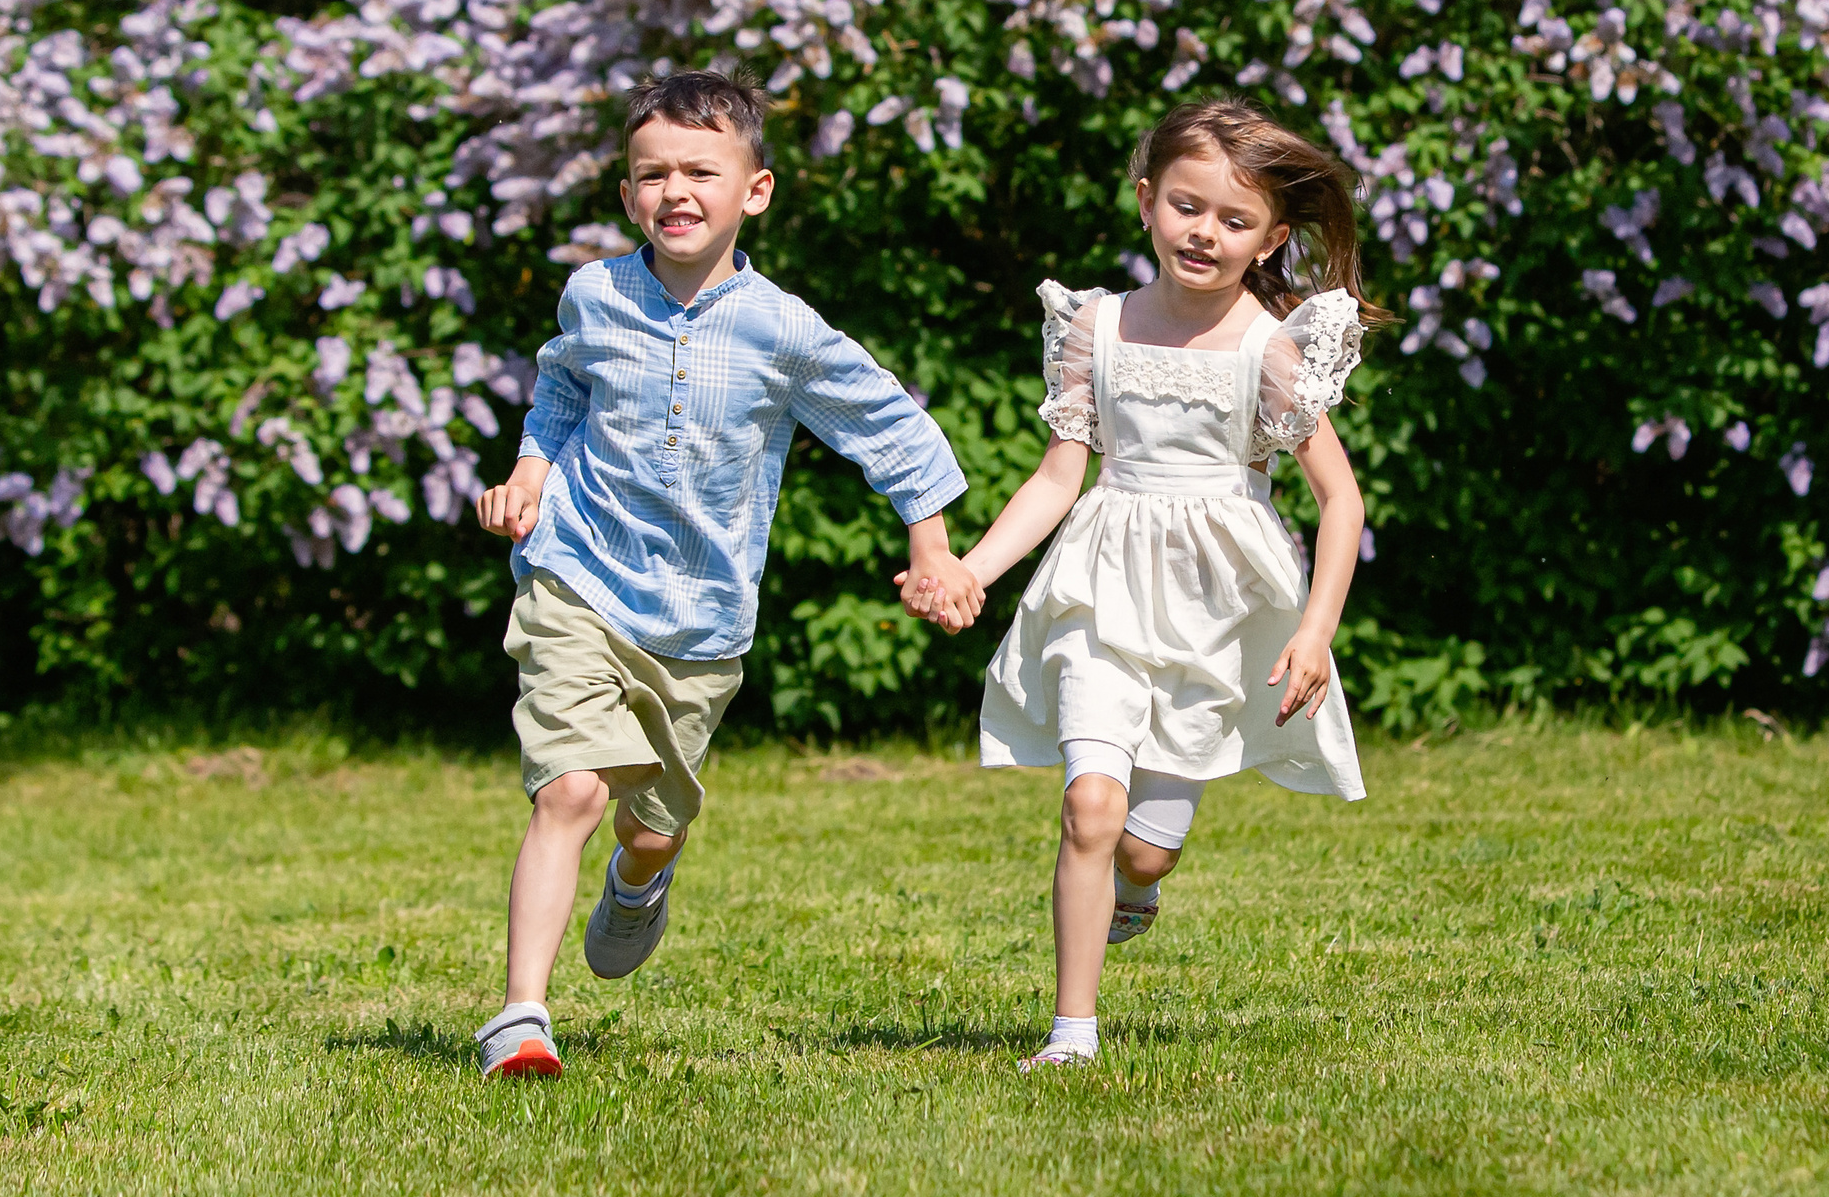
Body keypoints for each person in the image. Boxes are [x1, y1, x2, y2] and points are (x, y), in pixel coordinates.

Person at [470, 68, 980, 1080]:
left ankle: (639, 876)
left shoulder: (781, 328)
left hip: (701, 618)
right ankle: (520, 1018)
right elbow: (560, 388)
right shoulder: (593, 295)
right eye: (649, 173)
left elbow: (886, 425)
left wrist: (931, 544)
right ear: (626, 195)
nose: (674, 192)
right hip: (575, 571)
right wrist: (530, 471)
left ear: (755, 191)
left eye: (700, 170)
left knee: (648, 825)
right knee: (568, 787)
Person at [906, 97, 1380, 1072]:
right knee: (1089, 808)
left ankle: (1142, 880)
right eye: (1185, 206)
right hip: (1102, 587)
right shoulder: (1097, 327)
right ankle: (1070, 1033)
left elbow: (1341, 503)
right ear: (1146, 201)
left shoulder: (1270, 349)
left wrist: (1314, 631)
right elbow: (1055, 478)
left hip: (1219, 612)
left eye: (1233, 219)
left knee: (1144, 846)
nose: (1204, 232)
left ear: (1270, 238)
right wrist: (973, 571)